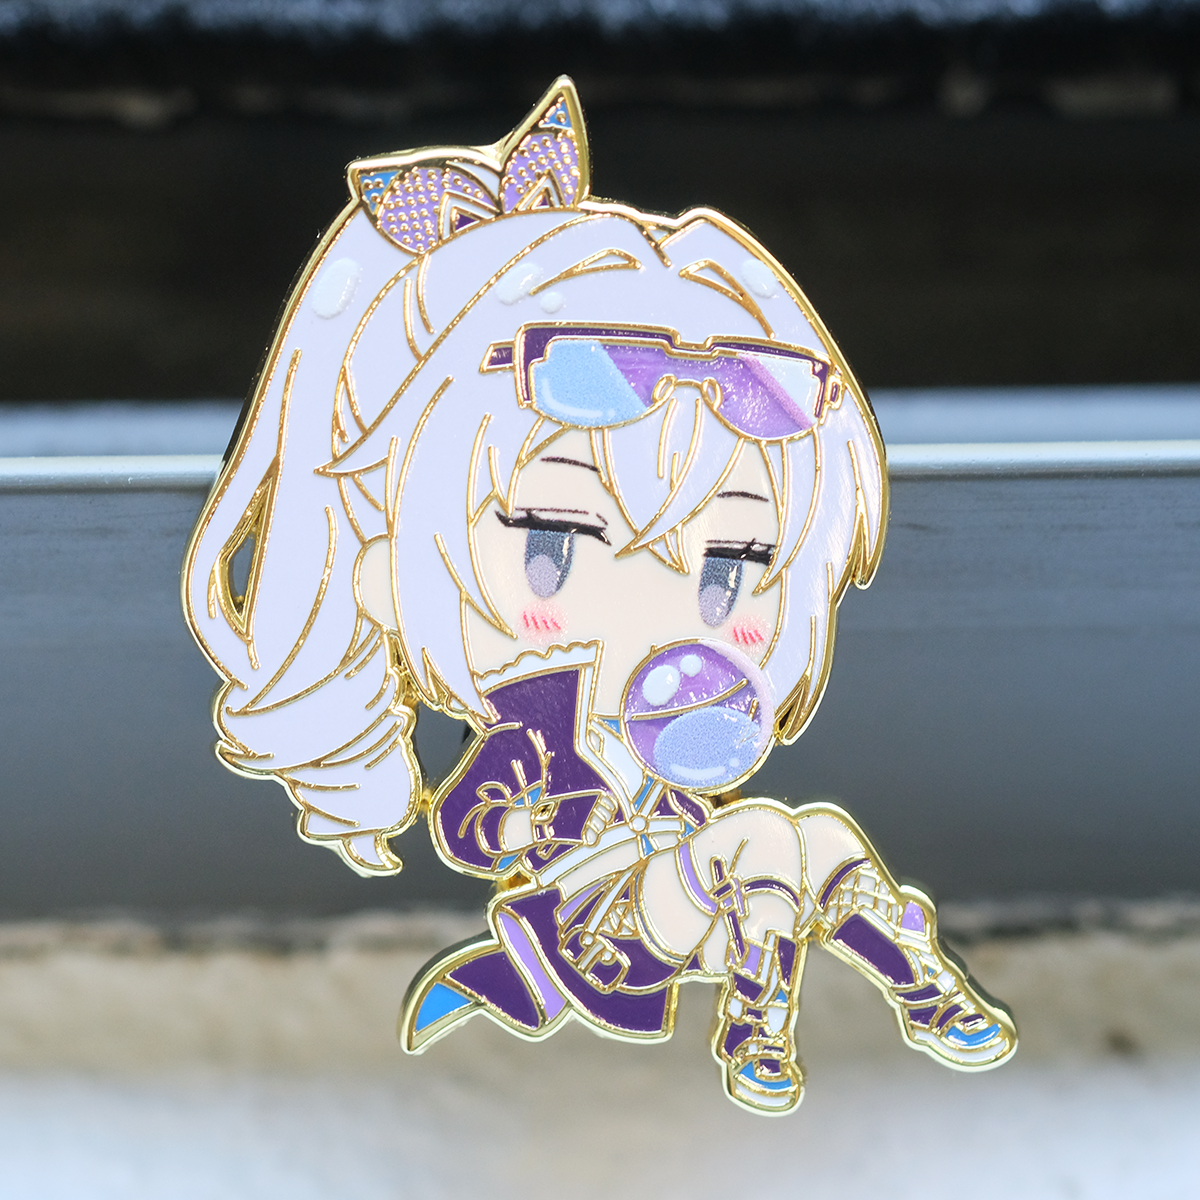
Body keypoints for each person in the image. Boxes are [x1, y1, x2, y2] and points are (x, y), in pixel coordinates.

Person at [183, 78, 1016, 1114]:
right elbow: (470, 830)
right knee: (761, 838)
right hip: (591, 926)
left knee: (830, 841)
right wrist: (527, 821)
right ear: (386, 567)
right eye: (555, 549)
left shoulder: (682, 733)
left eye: (730, 567)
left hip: (689, 897)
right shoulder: (535, 723)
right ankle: (758, 1024)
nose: (654, 617)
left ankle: (928, 992)